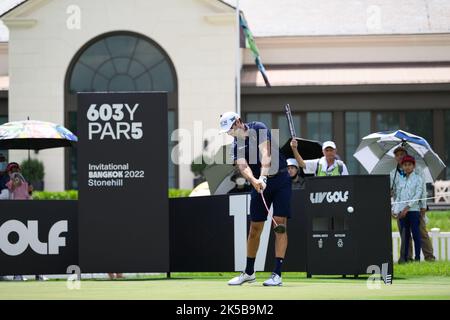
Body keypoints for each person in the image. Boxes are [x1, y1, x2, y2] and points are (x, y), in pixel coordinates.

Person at [220, 111, 291, 286]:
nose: (230, 133)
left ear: (238, 121)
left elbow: (266, 153)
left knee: (279, 224)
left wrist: (264, 177)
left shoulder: (258, 128)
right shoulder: (236, 145)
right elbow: (243, 167)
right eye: (227, 132)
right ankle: (249, 272)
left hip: (280, 179)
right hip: (259, 185)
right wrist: (254, 180)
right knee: (254, 229)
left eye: (230, 129)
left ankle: (277, 274)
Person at [390, 146, 435, 262]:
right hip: (400, 208)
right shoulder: (393, 173)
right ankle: (406, 257)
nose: (400, 157)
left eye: (402, 154)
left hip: (416, 208)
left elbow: (422, 191)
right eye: (397, 155)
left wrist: (423, 207)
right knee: (404, 234)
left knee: (421, 233)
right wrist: (394, 208)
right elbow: (395, 192)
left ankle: (429, 257)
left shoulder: (417, 170)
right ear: (395, 157)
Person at [392, 155, 423, 262]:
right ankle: (405, 258)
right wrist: (395, 210)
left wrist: (407, 208)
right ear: (402, 166)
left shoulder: (418, 178)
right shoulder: (401, 179)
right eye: (405, 165)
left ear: (413, 166)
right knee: (405, 236)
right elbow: (399, 196)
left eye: (409, 165)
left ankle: (417, 258)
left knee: (416, 235)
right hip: (401, 212)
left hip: (413, 211)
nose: (407, 167)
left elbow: (418, 195)